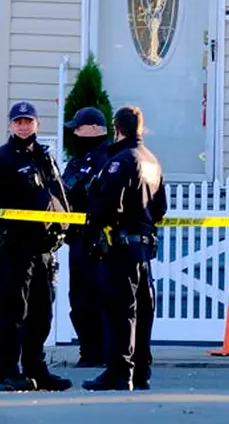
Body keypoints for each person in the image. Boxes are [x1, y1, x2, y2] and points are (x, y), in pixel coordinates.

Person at [0, 101, 72, 392]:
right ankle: (8, 370)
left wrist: (64, 227)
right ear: (10, 125)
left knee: (41, 313)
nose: (23, 126)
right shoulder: (1, 159)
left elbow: (57, 194)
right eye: (18, 122)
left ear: (36, 125)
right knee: (12, 312)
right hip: (14, 246)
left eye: (28, 121)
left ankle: (36, 369)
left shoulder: (45, 157)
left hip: (43, 248)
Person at [81, 106, 167, 392]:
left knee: (120, 310)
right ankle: (141, 371)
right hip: (143, 247)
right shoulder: (153, 160)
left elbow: (108, 206)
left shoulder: (121, 160)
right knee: (142, 311)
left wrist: (92, 232)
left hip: (120, 247)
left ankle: (119, 371)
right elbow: (161, 208)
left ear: (117, 128)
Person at [61, 107, 112, 368]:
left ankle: (101, 350)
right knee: (79, 298)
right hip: (78, 240)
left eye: (78, 128)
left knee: (98, 297)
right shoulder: (78, 161)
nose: (74, 134)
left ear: (92, 129)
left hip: (101, 241)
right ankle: (88, 348)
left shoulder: (108, 160)